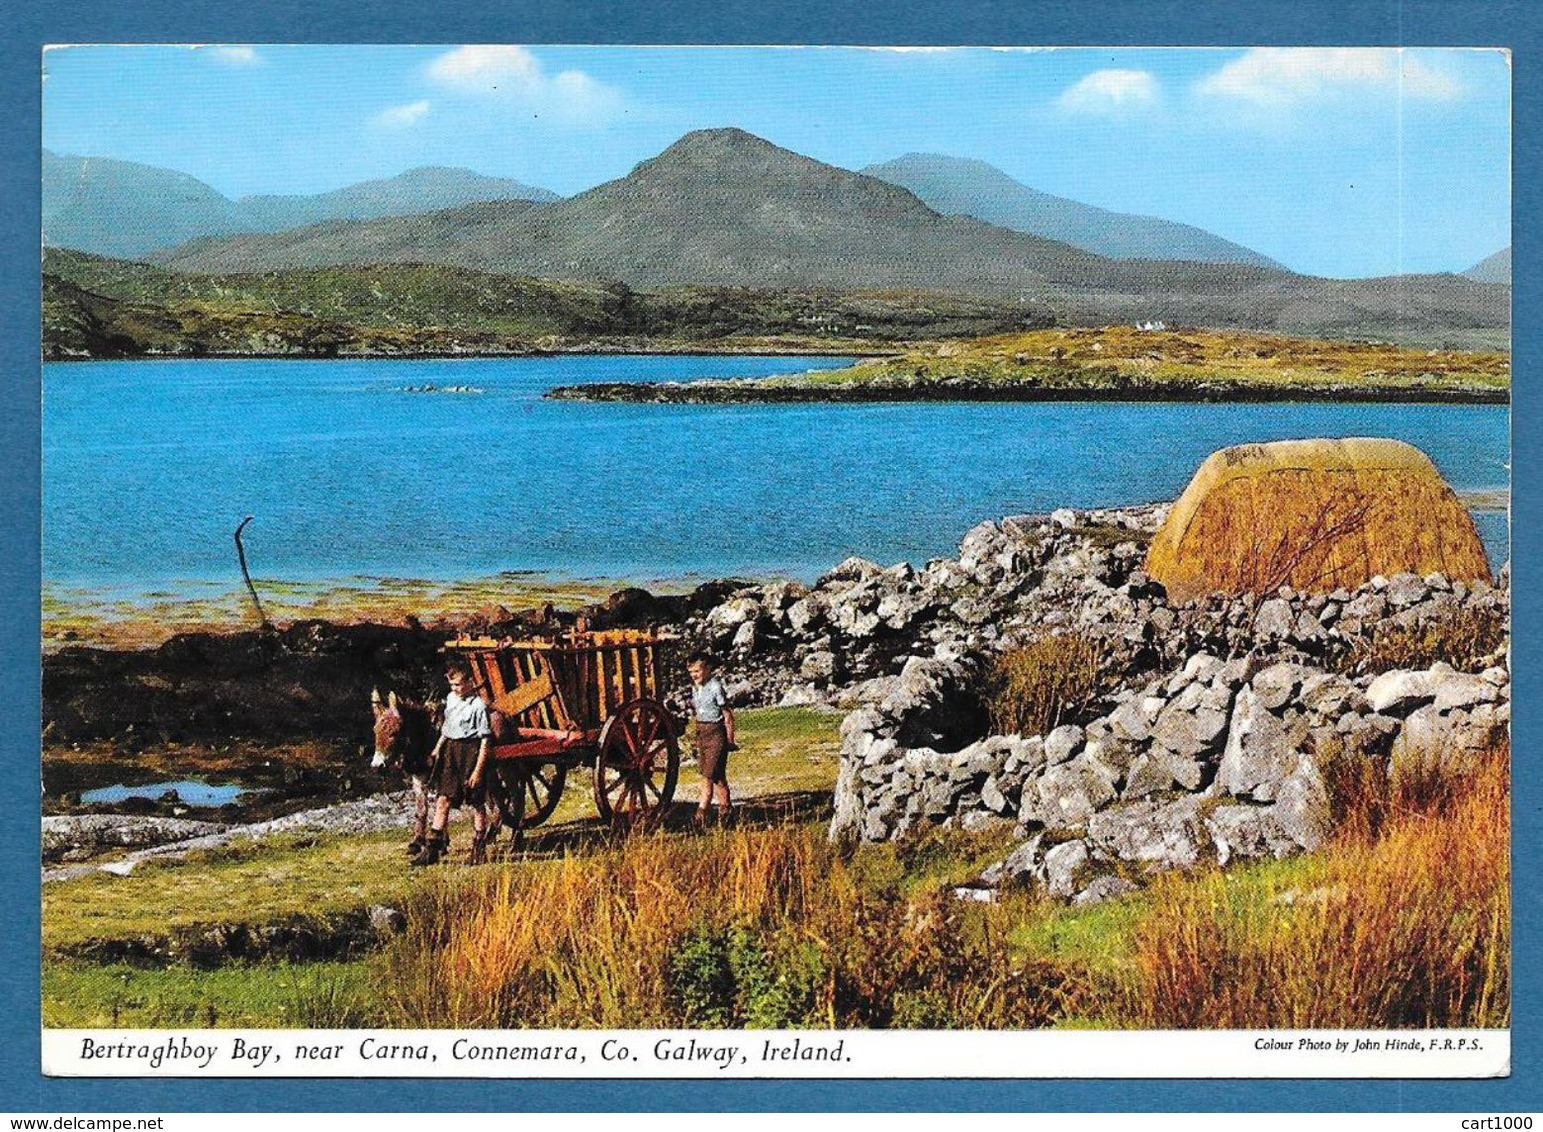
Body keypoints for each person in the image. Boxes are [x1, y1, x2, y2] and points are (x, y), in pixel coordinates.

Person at [413, 657, 494, 866]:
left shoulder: (479, 706)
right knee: (443, 798)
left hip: (471, 752)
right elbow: (447, 730)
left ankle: (479, 847)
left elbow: (485, 741)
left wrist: (477, 771)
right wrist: (437, 750)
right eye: (452, 684)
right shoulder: (450, 699)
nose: (455, 688)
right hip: (451, 751)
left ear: (469, 682)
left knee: (476, 802)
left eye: (458, 684)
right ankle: (432, 850)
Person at [686, 652, 735, 826]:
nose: (694, 675)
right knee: (718, 777)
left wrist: (729, 740)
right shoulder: (695, 688)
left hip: (716, 735)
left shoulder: (715, 687)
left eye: (697, 671)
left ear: (707, 669)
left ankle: (700, 817)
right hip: (703, 734)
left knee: (707, 776)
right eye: (691, 672)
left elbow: (727, 715)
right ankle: (726, 812)